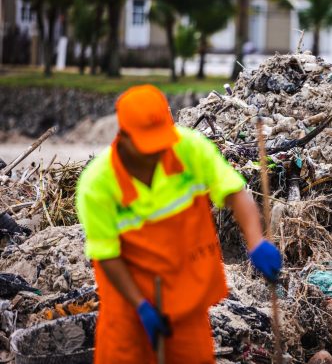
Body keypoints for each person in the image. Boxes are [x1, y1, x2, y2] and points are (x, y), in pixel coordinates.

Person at [75, 84, 282, 363]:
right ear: (124, 137)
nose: (158, 153)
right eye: (149, 147)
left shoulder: (190, 149)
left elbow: (235, 192)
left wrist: (256, 241)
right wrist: (141, 306)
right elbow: (107, 255)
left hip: (186, 300)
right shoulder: (97, 184)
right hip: (130, 308)